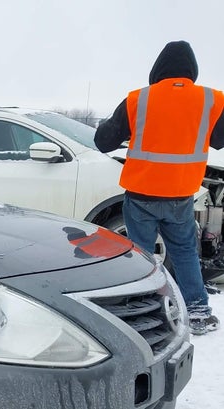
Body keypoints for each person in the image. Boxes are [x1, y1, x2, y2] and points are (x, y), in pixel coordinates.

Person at [94, 40, 224, 335]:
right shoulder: (212, 100)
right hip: (180, 194)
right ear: (192, 69)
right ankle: (199, 311)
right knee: (185, 252)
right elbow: (219, 139)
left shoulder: (138, 99)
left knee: (139, 254)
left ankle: (139, 310)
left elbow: (104, 142)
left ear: (158, 68)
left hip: (141, 194)